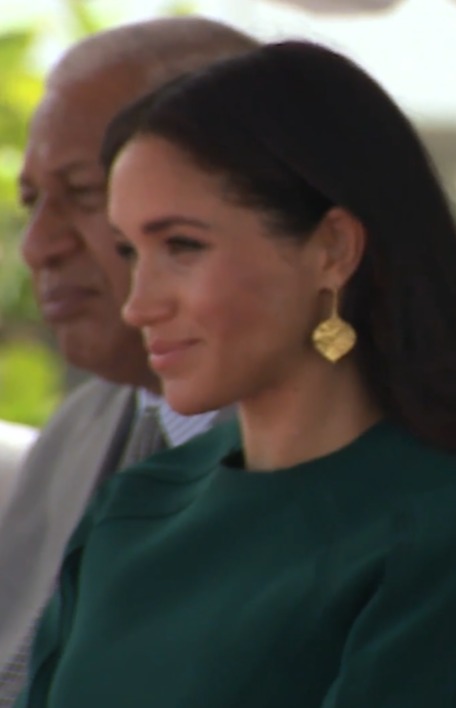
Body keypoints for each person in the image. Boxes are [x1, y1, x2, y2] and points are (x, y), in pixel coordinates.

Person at [17, 39, 456, 708]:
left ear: (332, 249)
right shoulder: (129, 508)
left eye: (182, 247)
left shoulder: (442, 538)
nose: (139, 303)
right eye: (132, 252)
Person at [0, 17, 259, 706]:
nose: (38, 246)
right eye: (32, 202)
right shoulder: (79, 429)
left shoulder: (342, 454)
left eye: (83, 194)